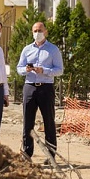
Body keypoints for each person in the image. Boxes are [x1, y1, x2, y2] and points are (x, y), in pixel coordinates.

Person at [17, 21, 64, 160]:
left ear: (46, 32)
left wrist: (44, 70)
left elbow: (59, 70)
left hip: (46, 87)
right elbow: (19, 68)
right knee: (27, 121)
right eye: (35, 30)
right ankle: (27, 153)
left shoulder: (53, 50)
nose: (37, 33)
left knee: (49, 121)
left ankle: (50, 155)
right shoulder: (27, 49)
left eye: (40, 30)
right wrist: (25, 70)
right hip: (30, 86)